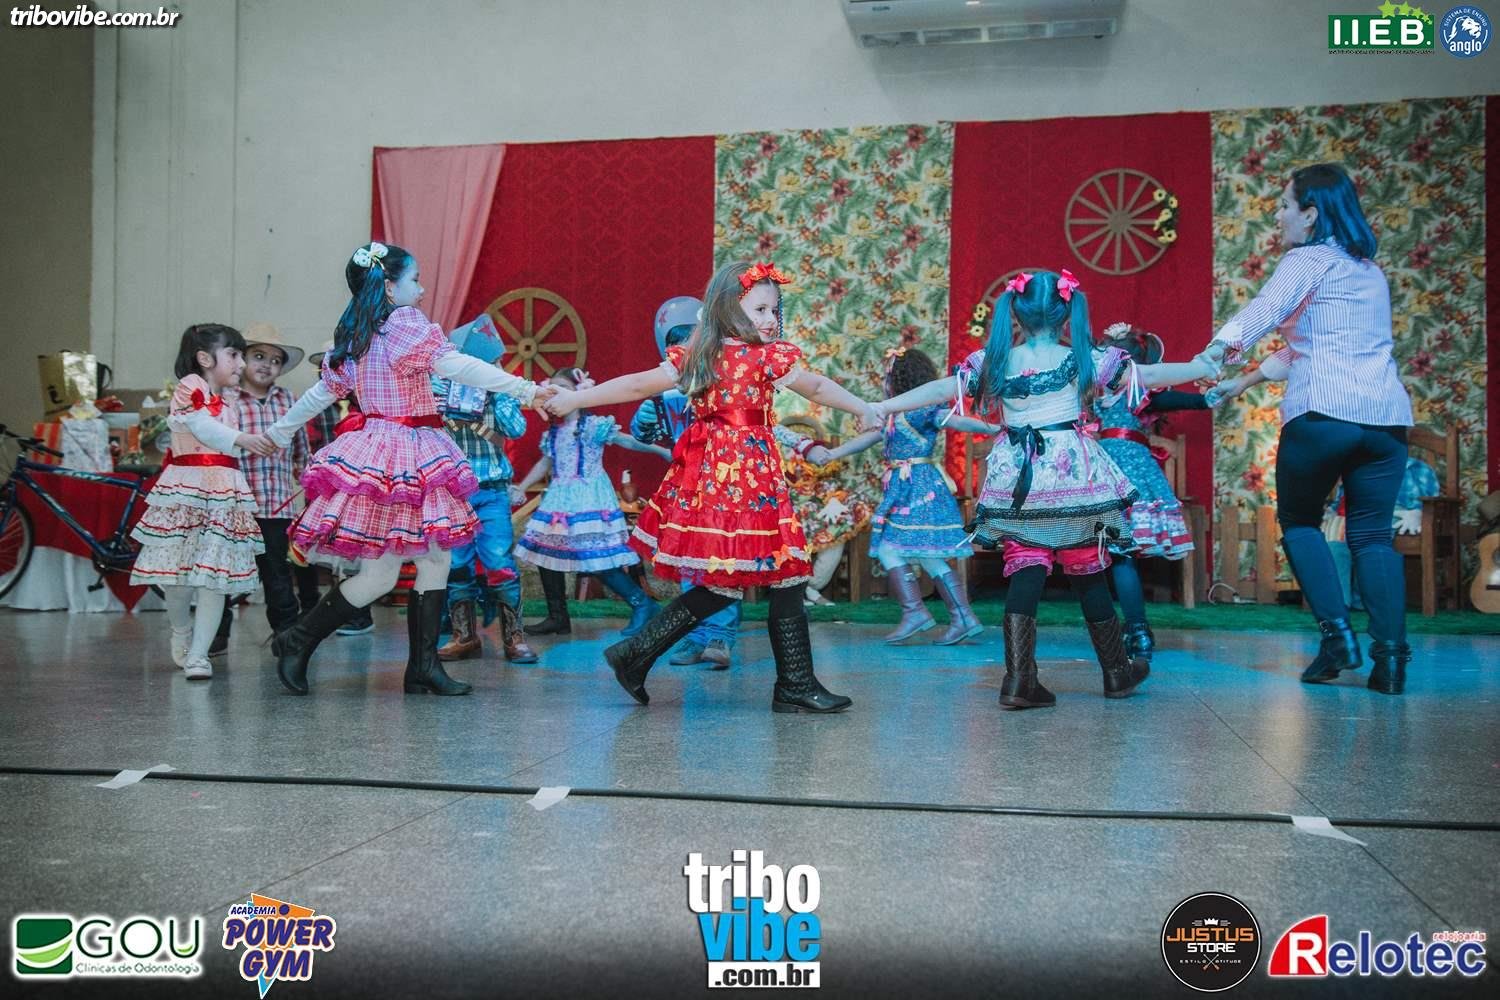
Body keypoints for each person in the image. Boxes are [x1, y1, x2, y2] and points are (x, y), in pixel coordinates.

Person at [544, 260, 881, 713]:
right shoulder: (710, 354)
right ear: (728, 307)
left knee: (743, 581)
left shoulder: (752, 354)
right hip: (732, 483)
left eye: (774, 310)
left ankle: (637, 655)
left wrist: (861, 406)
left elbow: (816, 386)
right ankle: (792, 684)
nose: (769, 319)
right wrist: (577, 397)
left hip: (748, 479)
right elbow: (638, 385)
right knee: (777, 575)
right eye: (759, 309)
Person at [872, 269, 1216, 709]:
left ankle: (1019, 680)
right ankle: (1116, 672)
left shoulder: (994, 360)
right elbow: (1146, 376)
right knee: (1087, 568)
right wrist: (1200, 367)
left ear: (1015, 313)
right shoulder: (1084, 358)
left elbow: (942, 389)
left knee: (1025, 566)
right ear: (1067, 313)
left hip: (1018, 477)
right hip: (1071, 474)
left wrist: (883, 405)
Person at [262, 242, 553, 696]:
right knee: (391, 571)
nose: (421, 289)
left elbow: (322, 392)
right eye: (414, 280)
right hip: (405, 451)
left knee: (428, 560)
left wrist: (280, 432)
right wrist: (526, 389)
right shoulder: (403, 323)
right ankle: (300, 641)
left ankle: (420, 667)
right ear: (388, 286)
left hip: (384, 450)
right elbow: (454, 365)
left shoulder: (360, 332)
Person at [1203, 163, 1413, 695]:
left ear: (1311, 214)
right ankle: (1391, 662)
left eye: (1284, 206)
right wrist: (1245, 381)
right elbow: (1308, 344)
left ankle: (1338, 638)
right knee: (1373, 536)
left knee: (1299, 523)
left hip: (1323, 415)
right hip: (1386, 421)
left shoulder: (1307, 259)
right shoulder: (1369, 270)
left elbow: (1267, 309)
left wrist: (1217, 352)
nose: (1277, 216)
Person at [793, 346, 999, 644]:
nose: (884, 381)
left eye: (888, 376)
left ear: (900, 379)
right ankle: (958, 616)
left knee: (899, 550)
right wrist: (834, 453)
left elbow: (957, 420)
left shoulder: (924, 410)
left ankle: (926, 613)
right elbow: (867, 439)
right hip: (903, 488)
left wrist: (997, 428)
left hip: (920, 487)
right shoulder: (892, 415)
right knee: (919, 554)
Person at [129, 323, 276, 679]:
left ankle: (199, 655)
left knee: (215, 577)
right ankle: (181, 630)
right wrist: (243, 439)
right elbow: (202, 427)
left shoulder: (231, 398)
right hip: (187, 488)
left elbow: (225, 436)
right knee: (178, 579)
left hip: (224, 490)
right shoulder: (189, 387)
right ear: (205, 358)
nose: (241, 363)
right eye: (234, 354)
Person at [514, 367, 671, 638]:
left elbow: (627, 441)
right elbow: (546, 462)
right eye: (551, 390)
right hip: (559, 500)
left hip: (589, 497)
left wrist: (661, 451)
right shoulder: (554, 432)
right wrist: (522, 486)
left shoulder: (593, 426)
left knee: (593, 555)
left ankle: (641, 603)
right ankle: (557, 617)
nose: (555, 395)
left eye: (563, 389)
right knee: (545, 552)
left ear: (579, 393)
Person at [631, 296, 740, 670]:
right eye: (677, 341)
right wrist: (646, 417)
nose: (684, 347)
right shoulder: (666, 387)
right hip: (688, 487)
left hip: (722, 483)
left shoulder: (723, 378)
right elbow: (644, 432)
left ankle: (720, 636)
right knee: (692, 563)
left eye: (690, 338)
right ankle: (697, 636)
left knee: (720, 562)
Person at [1092, 323, 1210, 663]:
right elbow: (1190, 400)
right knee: (1121, 555)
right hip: (1136, 468)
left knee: (1117, 555)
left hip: (1107, 468)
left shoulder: (1103, 391)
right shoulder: (1136, 392)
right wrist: (1214, 394)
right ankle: (1138, 630)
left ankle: (1133, 629)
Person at [431, 316, 536, 664]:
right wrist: (450, 398)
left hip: (491, 489)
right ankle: (464, 635)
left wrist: (491, 392)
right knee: (457, 564)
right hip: (452, 491)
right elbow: (426, 422)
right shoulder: (438, 384)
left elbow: (516, 428)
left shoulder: (499, 386)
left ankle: (514, 638)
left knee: (499, 561)